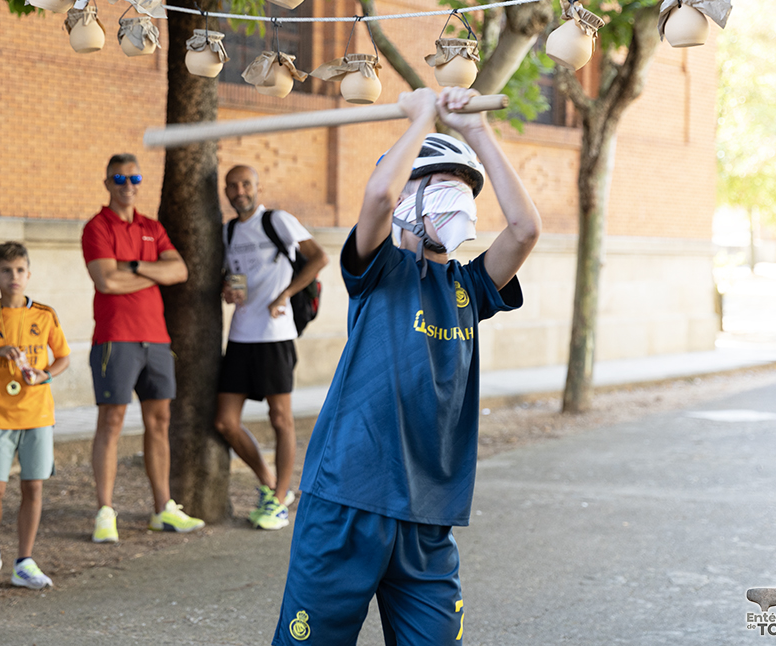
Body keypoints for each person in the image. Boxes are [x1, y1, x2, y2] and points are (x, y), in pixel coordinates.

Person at [272, 88, 541, 645]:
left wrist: (477, 134)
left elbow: (524, 230)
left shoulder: (468, 287)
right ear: (406, 201)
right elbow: (375, 199)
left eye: (466, 192)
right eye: (442, 187)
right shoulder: (379, 271)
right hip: (348, 498)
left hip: (428, 515)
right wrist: (420, 120)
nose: (458, 201)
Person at [81, 153, 204, 542]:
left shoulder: (152, 227)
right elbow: (106, 283)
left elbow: (180, 271)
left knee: (160, 422)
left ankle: (162, 509)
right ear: (107, 183)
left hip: (157, 338)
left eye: (134, 177)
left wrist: (132, 267)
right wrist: (153, 275)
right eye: (119, 177)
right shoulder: (97, 227)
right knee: (112, 422)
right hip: (115, 337)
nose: (128, 184)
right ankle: (105, 511)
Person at [214, 165, 329, 531]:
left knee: (281, 419)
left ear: (257, 188)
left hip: (276, 335)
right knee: (225, 422)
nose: (239, 191)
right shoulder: (229, 231)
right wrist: (228, 291)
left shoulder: (277, 221)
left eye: (245, 184)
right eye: (232, 185)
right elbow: (233, 277)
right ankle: (268, 480)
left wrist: (285, 295)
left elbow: (319, 257)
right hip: (240, 335)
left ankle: (280, 499)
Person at [0, 242, 71, 591]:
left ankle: (24, 561)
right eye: (6, 271)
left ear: (29, 274)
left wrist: (45, 375)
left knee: (33, 486)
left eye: (20, 270)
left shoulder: (45, 314)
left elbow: (63, 357)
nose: (14, 277)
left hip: (38, 414)